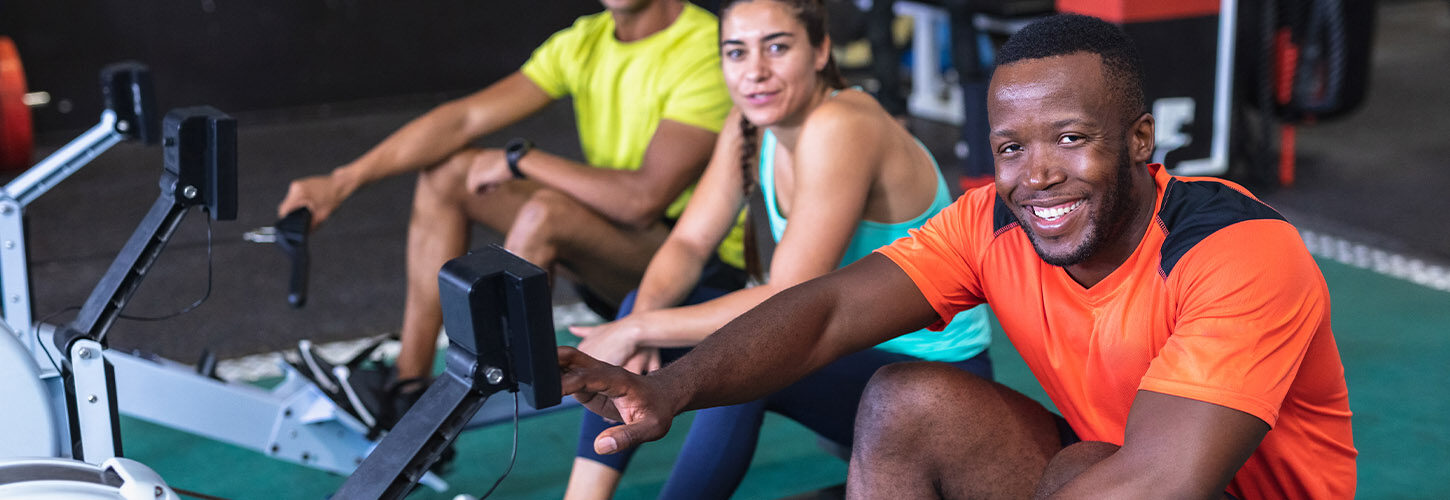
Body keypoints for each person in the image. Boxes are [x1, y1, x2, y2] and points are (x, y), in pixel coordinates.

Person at [559, 13, 1356, 499]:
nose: (1038, 173)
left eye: (1071, 138)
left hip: (1183, 487)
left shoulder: (1233, 251)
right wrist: (670, 387)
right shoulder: (994, 222)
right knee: (905, 398)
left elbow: (1164, 482)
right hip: (1098, 475)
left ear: (1139, 141)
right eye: (1012, 146)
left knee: (1084, 469)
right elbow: (828, 310)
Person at [561, 0, 992, 498]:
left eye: (777, 47)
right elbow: (688, 241)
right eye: (736, 53)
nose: (756, 72)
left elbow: (787, 296)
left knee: (752, 350)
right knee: (651, 300)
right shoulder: (749, 123)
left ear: (820, 49)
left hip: (935, 381)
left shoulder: (843, 122)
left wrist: (631, 328)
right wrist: (640, 319)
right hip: (848, 349)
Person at [277, 0, 746, 430]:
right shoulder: (586, 40)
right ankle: (408, 392)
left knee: (547, 211)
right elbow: (461, 120)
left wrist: (521, 159)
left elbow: (642, 201)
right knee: (449, 174)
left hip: (695, 274)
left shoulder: (706, 48)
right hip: (614, 249)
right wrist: (341, 182)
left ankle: (478, 386)